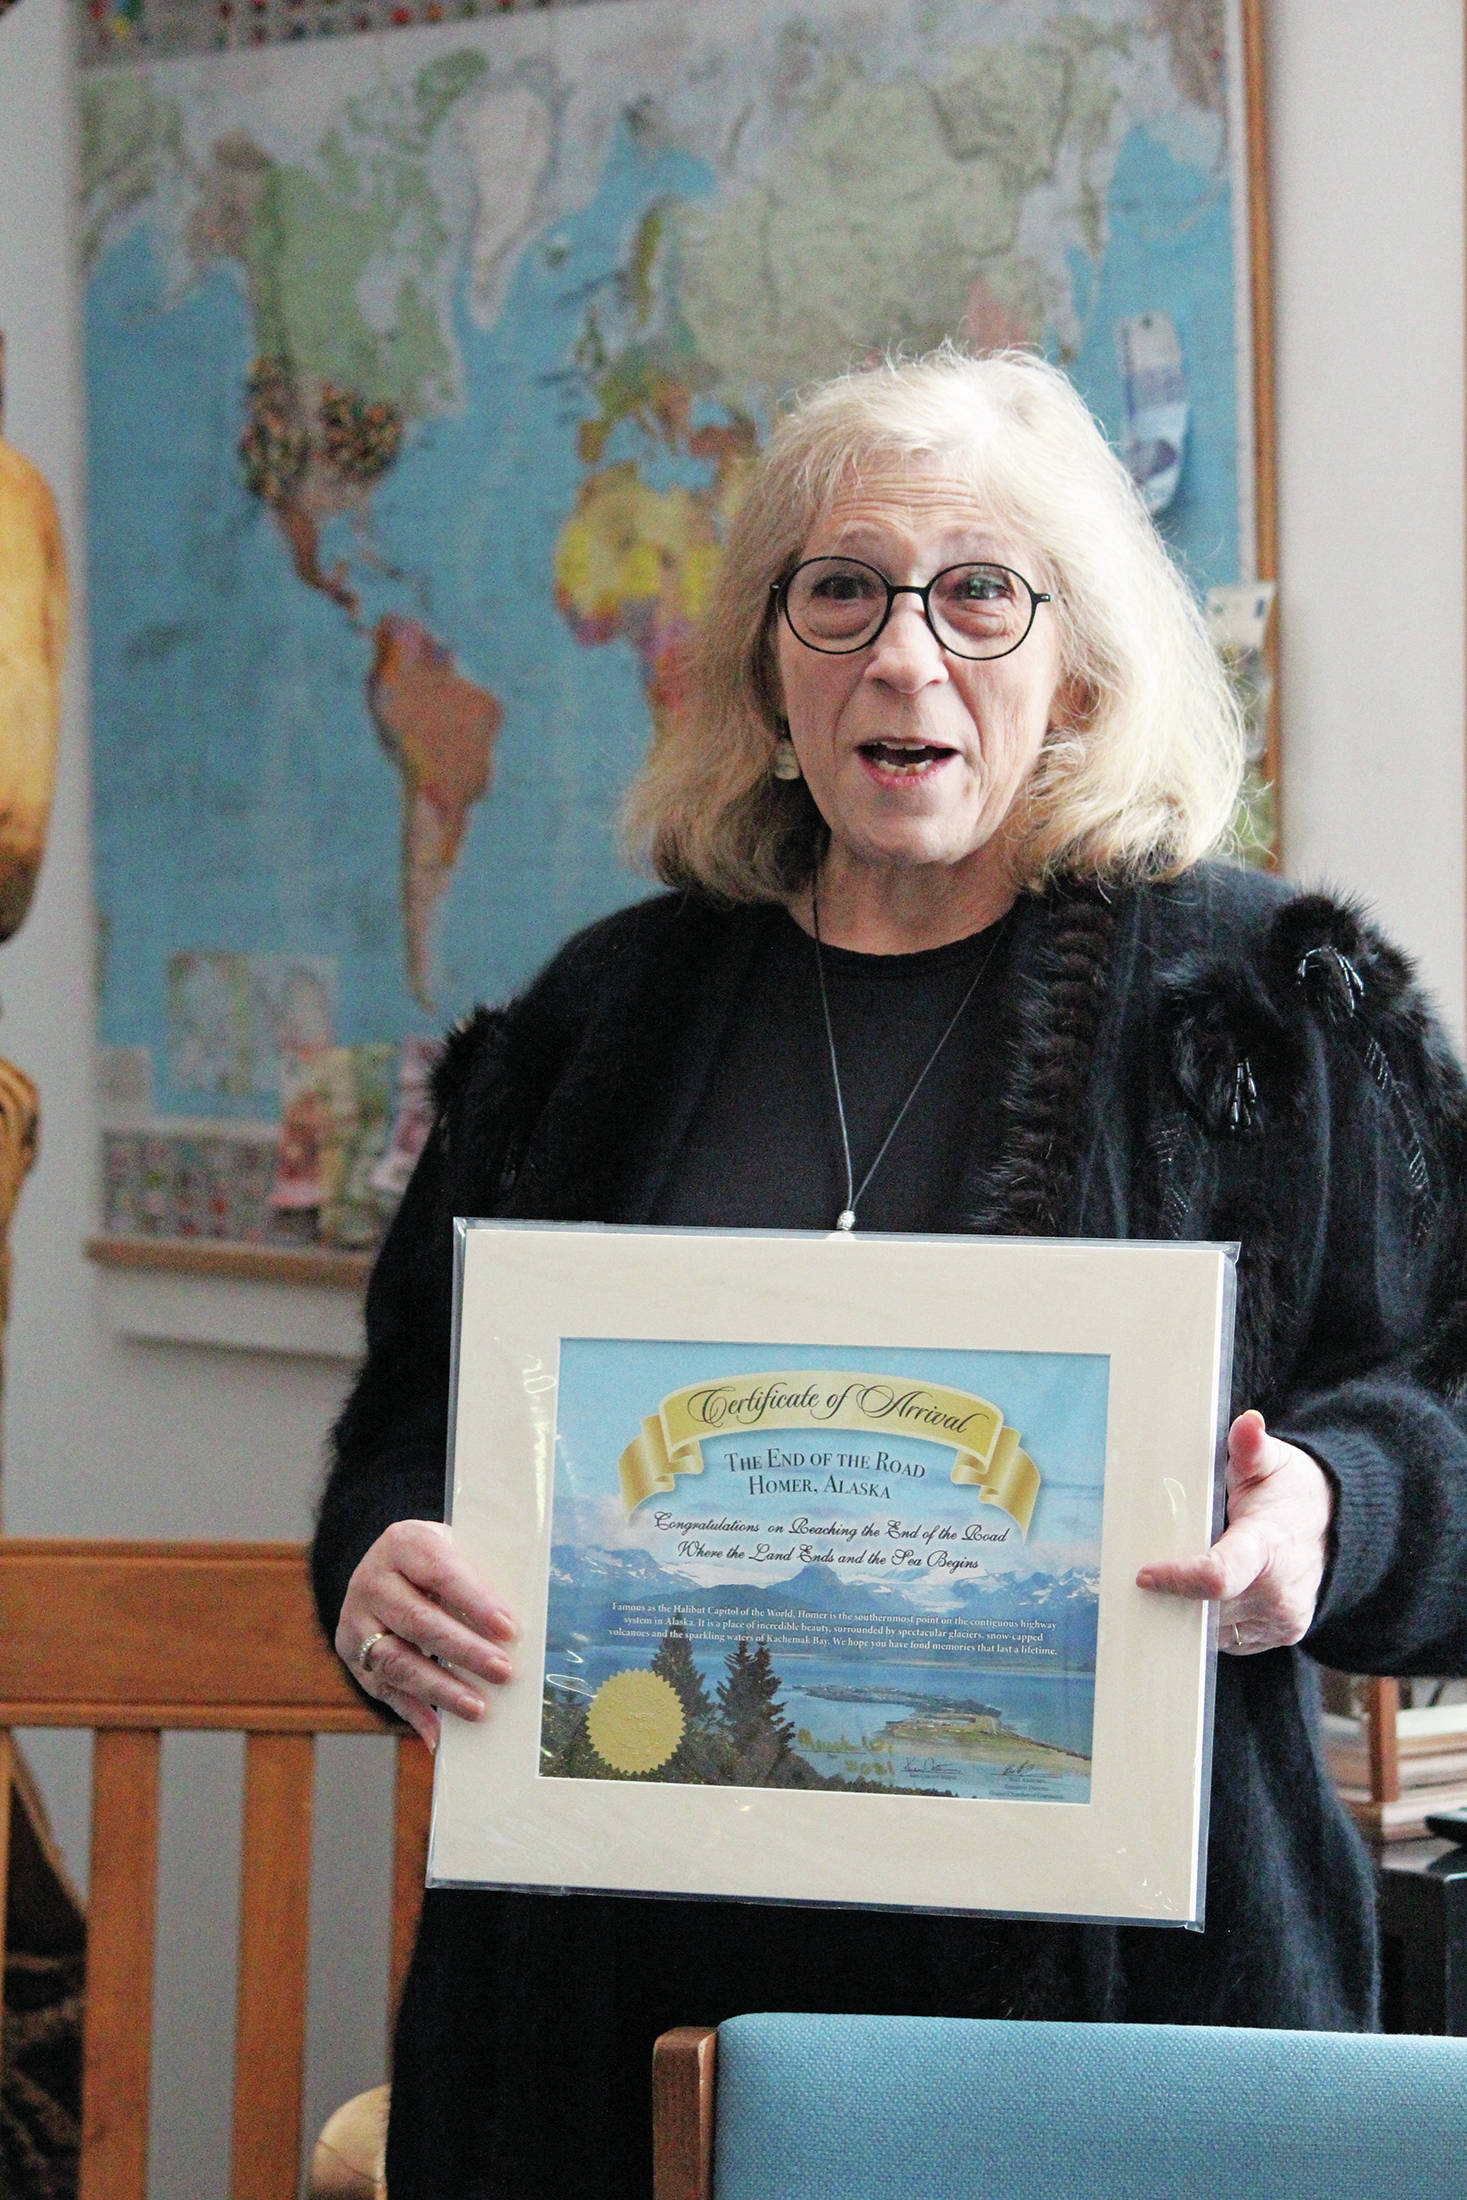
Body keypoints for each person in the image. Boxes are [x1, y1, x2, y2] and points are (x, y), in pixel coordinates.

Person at [313, 349, 1467, 2198]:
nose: (904, 657)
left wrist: (1337, 1510)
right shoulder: (596, 1021)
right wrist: (378, 1573)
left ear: (1077, 670)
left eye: (980, 596)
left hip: (1118, 2049)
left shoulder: (1276, 1011)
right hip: (600, 2043)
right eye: (839, 592)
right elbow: (406, 1442)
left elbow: (1454, 1415)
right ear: (771, 668)